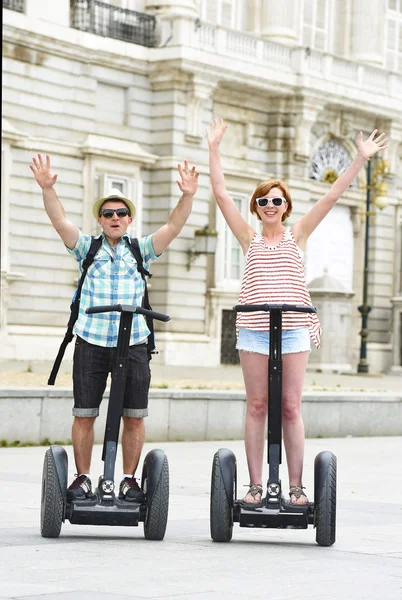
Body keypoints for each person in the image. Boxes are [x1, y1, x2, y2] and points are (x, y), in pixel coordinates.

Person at [207, 119, 388, 505]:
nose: (270, 206)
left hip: (293, 328)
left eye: (276, 200)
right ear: (256, 208)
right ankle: (255, 486)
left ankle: (296, 486)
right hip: (254, 328)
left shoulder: (299, 233)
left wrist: (359, 159)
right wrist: (214, 148)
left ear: (286, 206)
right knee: (256, 405)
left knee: (290, 406)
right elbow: (222, 195)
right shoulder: (248, 237)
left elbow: (333, 195)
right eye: (263, 201)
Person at [30, 153, 199, 502]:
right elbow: (59, 220)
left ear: (130, 219)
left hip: (134, 343)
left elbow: (174, 227)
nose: (115, 218)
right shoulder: (86, 249)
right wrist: (47, 189)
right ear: (100, 220)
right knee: (84, 413)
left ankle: (128, 479)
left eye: (121, 213)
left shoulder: (141, 250)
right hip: (91, 341)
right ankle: (81, 479)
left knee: (134, 416)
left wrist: (187, 196)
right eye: (108, 214)